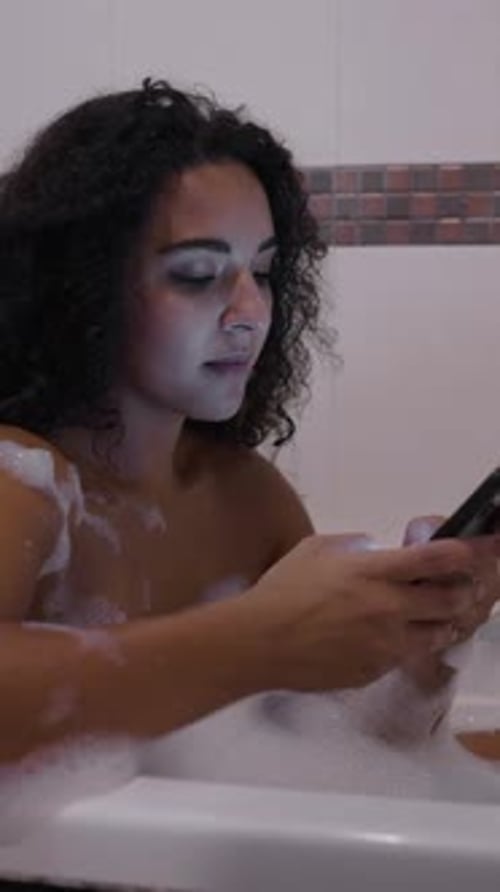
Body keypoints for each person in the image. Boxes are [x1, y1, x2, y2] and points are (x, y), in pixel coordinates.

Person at [0, 77, 498, 774]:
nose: (250, 312)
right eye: (199, 275)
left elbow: (362, 748)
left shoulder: (246, 496)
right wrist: (257, 638)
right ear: (81, 289)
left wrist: (428, 646)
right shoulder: (21, 482)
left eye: (262, 273)